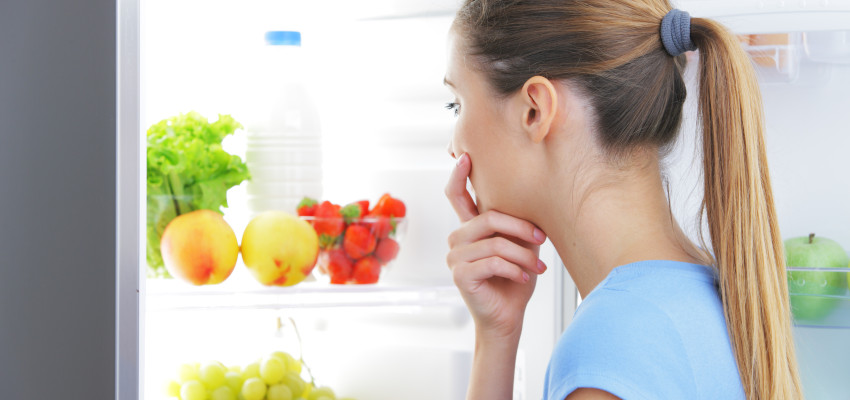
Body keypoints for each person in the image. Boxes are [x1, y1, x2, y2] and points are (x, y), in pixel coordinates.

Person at [442, 1, 804, 399]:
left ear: (534, 110)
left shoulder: (609, 348)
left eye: (457, 105)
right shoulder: (712, 296)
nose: (452, 147)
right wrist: (497, 335)